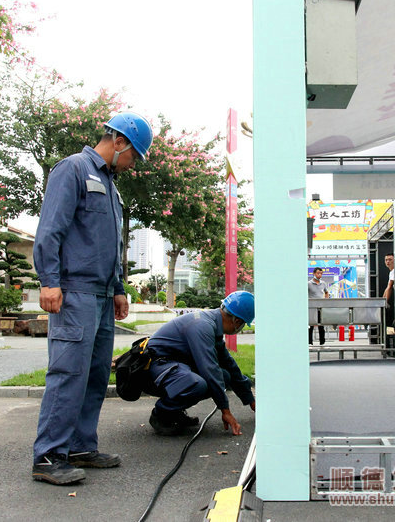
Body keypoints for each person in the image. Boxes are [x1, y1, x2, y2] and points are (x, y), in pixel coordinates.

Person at [31, 112, 153, 486]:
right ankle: (49, 456)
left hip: (101, 296)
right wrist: (49, 281)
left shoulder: (110, 185)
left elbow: (111, 247)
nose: (132, 165)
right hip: (75, 292)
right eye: (134, 156)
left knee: (97, 375)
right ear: (118, 142)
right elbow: (50, 230)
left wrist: (118, 288)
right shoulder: (72, 170)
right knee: (68, 373)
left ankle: (81, 446)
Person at [145, 291, 256, 436]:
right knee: (198, 384)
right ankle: (161, 414)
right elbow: (209, 370)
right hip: (154, 368)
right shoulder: (202, 326)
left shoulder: (212, 325)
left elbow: (229, 364)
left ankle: (175, 412)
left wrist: (250, 400)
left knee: (225, 375)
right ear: (237, 322)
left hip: (173, 367)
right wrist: (225, 410)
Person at [308, 267, 329, 345]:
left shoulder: (323, 283)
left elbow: (326, 292)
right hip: (311, 307)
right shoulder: (309, 284)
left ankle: (322, 342)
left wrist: (325, 300)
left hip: (320, 307)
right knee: (311, 325)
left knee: (321, 325)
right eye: (318, 273)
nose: (319, 275)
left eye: (321, 273)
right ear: (314, 273)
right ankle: (309, 342)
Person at [383, 253, 395, 329]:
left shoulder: (394, 271)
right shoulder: (391, 272)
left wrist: (386, 302)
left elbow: (390, 287)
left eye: (390, 259)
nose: (388, 262)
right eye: (386, 260)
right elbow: (387, 287)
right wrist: (383, 299)